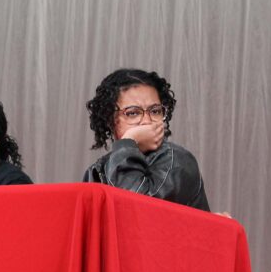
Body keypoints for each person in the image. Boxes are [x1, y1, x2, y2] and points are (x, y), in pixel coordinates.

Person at [83, 68, 209, 211]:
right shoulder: (97, 170)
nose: (147, 121)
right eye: (133, 113)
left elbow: (137, 212)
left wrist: (129, 140)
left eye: (155, 111)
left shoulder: (177, 160)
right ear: (110, 120)